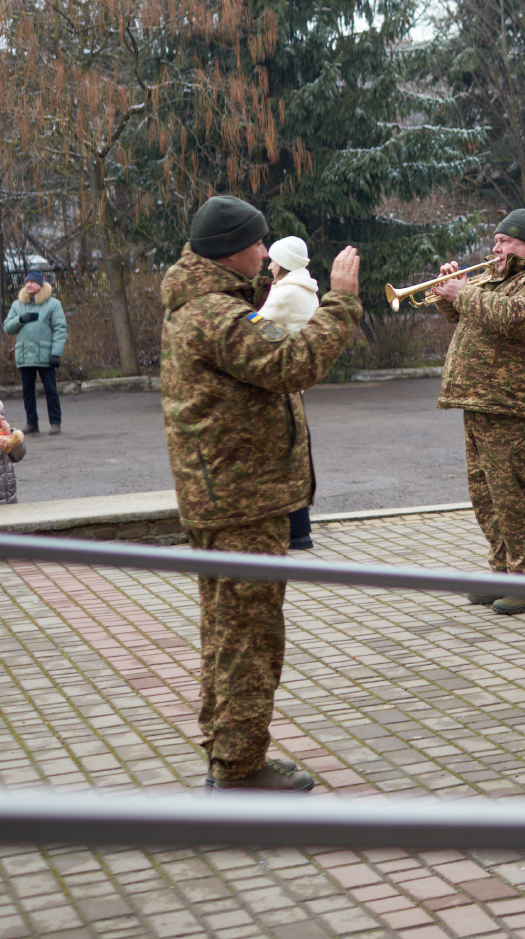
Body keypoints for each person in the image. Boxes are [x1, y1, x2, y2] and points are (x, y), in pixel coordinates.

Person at [160, 195, 362, 793]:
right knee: (249, 639)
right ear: (232, 250)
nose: (265, 250)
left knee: (227, 633)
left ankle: (229, 753)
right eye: (258, 242)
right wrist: (343, 303)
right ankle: (239, 770)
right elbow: (291, 362)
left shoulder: (212, 305)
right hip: (240, 501)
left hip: (229, 496)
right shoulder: (214, 315)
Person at [432, 209, 525, 615]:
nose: (495, 248)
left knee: (515, 496)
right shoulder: (501, 277)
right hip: (480, 400)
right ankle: (502, 572)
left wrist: (465, 293)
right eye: (495, 242)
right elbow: (470, 317)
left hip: (514, 405)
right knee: (486, 496)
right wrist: (448, 294)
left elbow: (516, 318)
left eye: (505, 242)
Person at [2, 273, 67, 436]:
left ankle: (55, 423)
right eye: (26, 282)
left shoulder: (53, 304)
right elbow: (7, 328)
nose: (28, 285)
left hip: (46, 355)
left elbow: (60, 329)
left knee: (51, 390)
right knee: (27, 392)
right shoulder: (17, 305)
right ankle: (32, 423)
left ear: (41, 284)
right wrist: (20, 319)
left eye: (32, 282)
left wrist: (56, 353)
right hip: (25, 356)